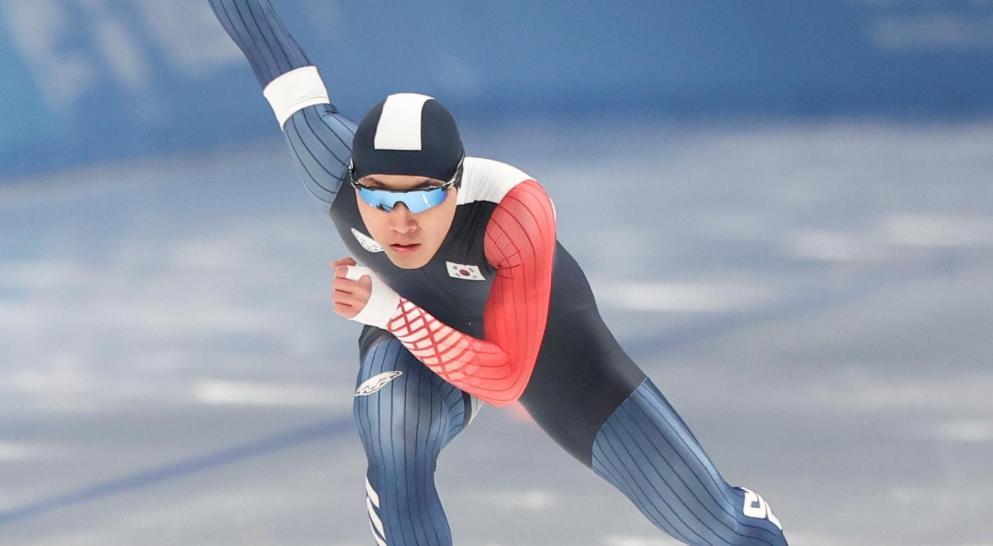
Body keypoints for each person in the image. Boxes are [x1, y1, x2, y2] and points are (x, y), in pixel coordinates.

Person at [208, 1, 790, 545]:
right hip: (413, 335)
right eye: (380, 200)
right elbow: (265, 44)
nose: (401, 222)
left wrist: (383, 308)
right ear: (354, 182)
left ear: (457, 190)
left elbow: (506, 378)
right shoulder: (328, 164)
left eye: (425, 198)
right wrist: (391, 317)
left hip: (545, 346)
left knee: (717, 524)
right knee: (392, 428)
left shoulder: (514, 213)